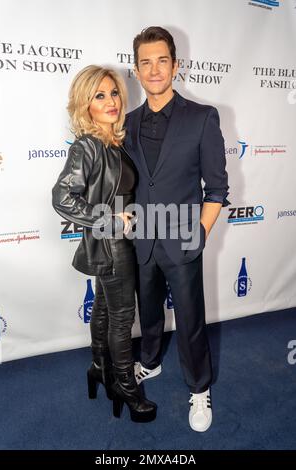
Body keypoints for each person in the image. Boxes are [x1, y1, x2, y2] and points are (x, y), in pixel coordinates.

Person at [125, 27, 229, 432]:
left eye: (161, 61)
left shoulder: (202, 118)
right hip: (141, 242)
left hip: (184, 239)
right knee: (147, 313)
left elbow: (217, 188)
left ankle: (200, 387)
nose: (154, 70)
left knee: (190, 320)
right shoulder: (127, 123)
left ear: (176, 65)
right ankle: (149, 362)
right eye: (145, 62)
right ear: (136, 70)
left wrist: (199, 234)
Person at [52, 65, 157, 423]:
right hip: (113, 243)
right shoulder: (87, 146)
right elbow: (63, 197)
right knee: (122, 318)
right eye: (99, 95)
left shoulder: (113, 141)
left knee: (103, 308)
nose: (111, 101)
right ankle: (126, 387)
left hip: (114, 240)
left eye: (114, 93)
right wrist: (108, 221)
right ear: (86, 105)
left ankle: (100, 366)